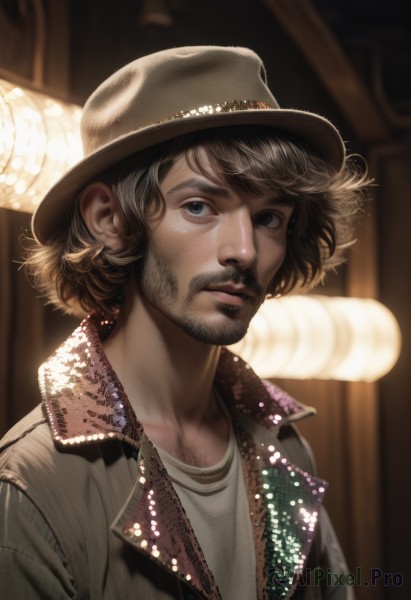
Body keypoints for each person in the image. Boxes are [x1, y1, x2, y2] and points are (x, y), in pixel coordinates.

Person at [0, 46, 367, 599]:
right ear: (110, 219)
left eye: (268, 218)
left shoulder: (284, 448)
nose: (244, 250)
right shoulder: (34, 484)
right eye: (200, 206)